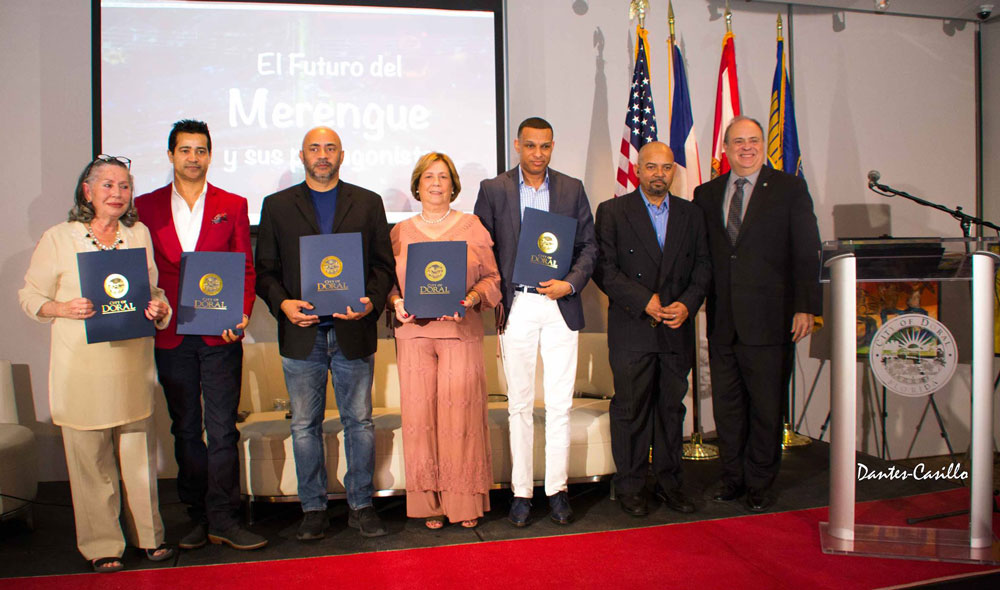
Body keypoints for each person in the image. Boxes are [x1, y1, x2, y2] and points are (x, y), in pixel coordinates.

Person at [19, 156, 173, 573]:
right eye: (108, 185)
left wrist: (159, 308)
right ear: (87, 192)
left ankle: (150, 536)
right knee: (91, 464)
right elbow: (30, 297)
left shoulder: (138, 233)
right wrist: (62, 308)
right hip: (82, 371)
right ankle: (102, 544)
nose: (117, 194)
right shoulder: (59, 238)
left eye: (124, 186)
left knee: (139, 461)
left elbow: (152, 290)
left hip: (132, 366)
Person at [255, 126, 394, 539]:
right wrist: (283, 304)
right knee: (304, 425)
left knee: (360, 422)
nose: (322, 155)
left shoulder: (367, 202)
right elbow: (265, 271)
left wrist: (371, 302)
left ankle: (361, 504)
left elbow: (383, 266)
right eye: (314, 148)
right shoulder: (277, 206)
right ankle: (313, 508)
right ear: (302, 156)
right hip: (303, 334)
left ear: (342, 155)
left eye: (330, 148)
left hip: (353, 330)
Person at [134, 120, 265, 551]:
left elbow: (245, 267)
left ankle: (224, 517)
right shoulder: (145, 206)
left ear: (210, 155)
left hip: (220, 334)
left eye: (201, 150)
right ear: (171, 155)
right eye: (185, 150)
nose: (193, 158)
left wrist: (241, 313)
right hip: (170, 332)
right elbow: (142, 269)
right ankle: (197, 515)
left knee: (223, 429)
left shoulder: (232, 203)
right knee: (186, 429)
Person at [692, 116, 822, 512]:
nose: (746, 147)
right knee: (728, 408)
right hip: (723, 321)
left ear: (763, 144)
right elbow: (700, 255)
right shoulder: (706, 193)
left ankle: (760, 483)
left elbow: (807, 251)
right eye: (738, 141)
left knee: (766, 407)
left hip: (771, 319)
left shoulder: (789, 189)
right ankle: (733, 478)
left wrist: (806, 306)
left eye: (753, 140)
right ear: (726, 148)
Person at [474, 117, 598, 526]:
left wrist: (570, 283)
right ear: (517, 145)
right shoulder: (494, 190)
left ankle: (558, 490)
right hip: (518, 305)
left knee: (560, 404)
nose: (538, 153)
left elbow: (589, 247)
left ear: (552, 147)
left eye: (545, 146)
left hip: (560, 303)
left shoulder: (571, 189)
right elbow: (482, 250)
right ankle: (522, 493)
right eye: (530, 145)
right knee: (520, 405)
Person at [593, 142, 711, 517]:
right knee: (630, 410)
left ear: (673, 171)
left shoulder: (692, 214)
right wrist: (644, 300)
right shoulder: (612, 212)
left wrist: (687, 304)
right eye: (651, 167)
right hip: (633, 327)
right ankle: (630, 486)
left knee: (670, 411)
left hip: (676, 327)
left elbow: (704, 266)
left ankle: (669, 483)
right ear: (637, 170)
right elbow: (604, 269)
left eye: (666, 167)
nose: (659, 174)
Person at [388, 152, 501, 529]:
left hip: (459, 332)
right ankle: (428, 504)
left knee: (460, 418)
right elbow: (388, 284)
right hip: (414, 335)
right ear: (417, 185)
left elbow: (492, 280)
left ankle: (463, 502)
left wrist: (471, 298)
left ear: (453, 185)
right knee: (420, 421)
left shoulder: (473, 227)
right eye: (428, 177)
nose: (436, 183)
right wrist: (396, 302)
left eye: (443, 177)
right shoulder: (399, 232)